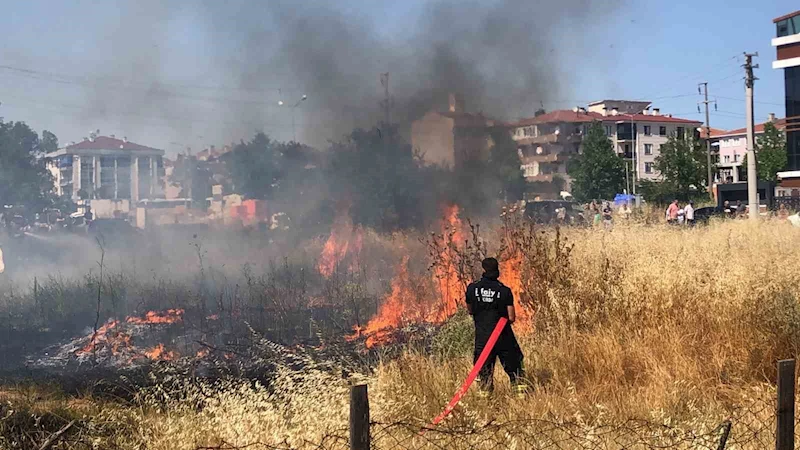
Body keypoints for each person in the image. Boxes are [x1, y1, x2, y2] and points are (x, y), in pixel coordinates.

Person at [466, 257, 527, 397]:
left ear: (483, 269)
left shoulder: (472, 288)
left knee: (484, 372)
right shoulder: (503, 291)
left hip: (483, 339)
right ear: (497, 270)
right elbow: (511, 317)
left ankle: (485, 404)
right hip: (503, 337)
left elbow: (470, 310)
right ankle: (521, 397)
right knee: (515, 367)